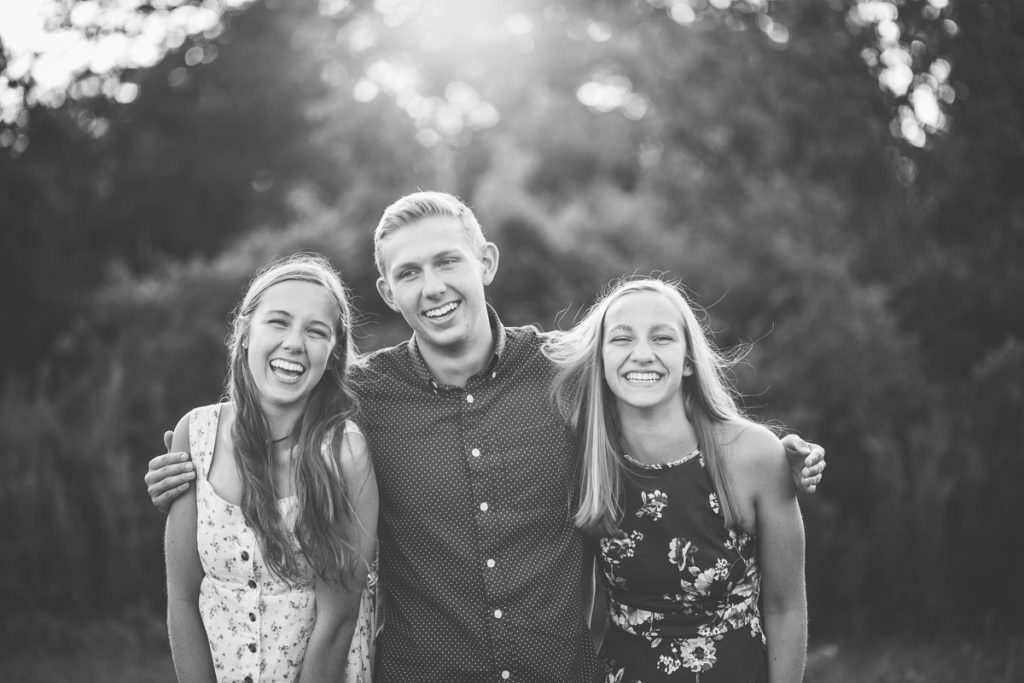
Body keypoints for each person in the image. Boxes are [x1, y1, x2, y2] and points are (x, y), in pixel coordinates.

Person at [148, 192, 824, 681]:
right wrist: (188, 458)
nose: (433, 286)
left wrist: (773, 450)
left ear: (487, 262)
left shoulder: (569, 372)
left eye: (447, 261)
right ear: (387, 291)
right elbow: (273, 395)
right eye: (409, 273)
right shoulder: (359, 398)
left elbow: (664, 401)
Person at [543, 277, 807, 682]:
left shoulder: (754, 455)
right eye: (622, 339)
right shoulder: (585, 462)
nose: (643, 354)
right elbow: (576, 612)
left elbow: (785, 605)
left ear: (687, 360)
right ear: (600, 360)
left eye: (662, 338)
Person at [163, 254, 378, 683]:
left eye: (316, 331)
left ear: (333, 354)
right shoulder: (197, 435)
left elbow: (337, 623)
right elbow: (182, 597)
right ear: (244, 334)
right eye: (278, 322)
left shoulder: (343, 453)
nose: (294, 343)